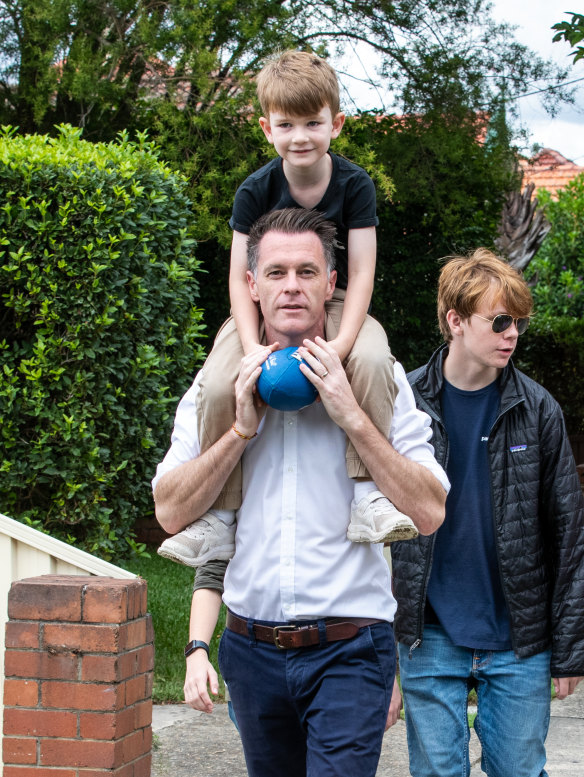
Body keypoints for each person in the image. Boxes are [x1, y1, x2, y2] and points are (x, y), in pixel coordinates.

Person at [152, 208, 449, 777]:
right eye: (277, 272)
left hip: (348, 651)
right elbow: (169, 510)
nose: (292, 286)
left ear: (332, 283)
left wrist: (353, 418)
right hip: (251, 651)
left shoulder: (375, 376)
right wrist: (240, 431)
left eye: (308, 272)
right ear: (251, 284)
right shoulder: (218, 387)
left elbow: (431, 510)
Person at [157, 50, 418, 570]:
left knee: (369, 362)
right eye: (287, 125)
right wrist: (252, 347)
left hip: (335, 296)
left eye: (313, 123)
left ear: (336, 124)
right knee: (217, 381)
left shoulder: (354, 184)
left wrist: (342, 344)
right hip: (262, 301)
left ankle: (369, 495)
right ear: (266, 128)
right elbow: (239, 276)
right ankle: (218, 517)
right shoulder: (255, 190)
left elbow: (362, 271)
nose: (300, 136)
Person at [389, 248, 584, 777]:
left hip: (519, 641)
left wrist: (569, 651)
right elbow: (372, 530)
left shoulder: (538, 408)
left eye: (518, 321)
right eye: (499, 320)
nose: (512, 333)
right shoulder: (403, 402)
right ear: (455, 320)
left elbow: (569, 534)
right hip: (428, 635)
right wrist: (382, 655)